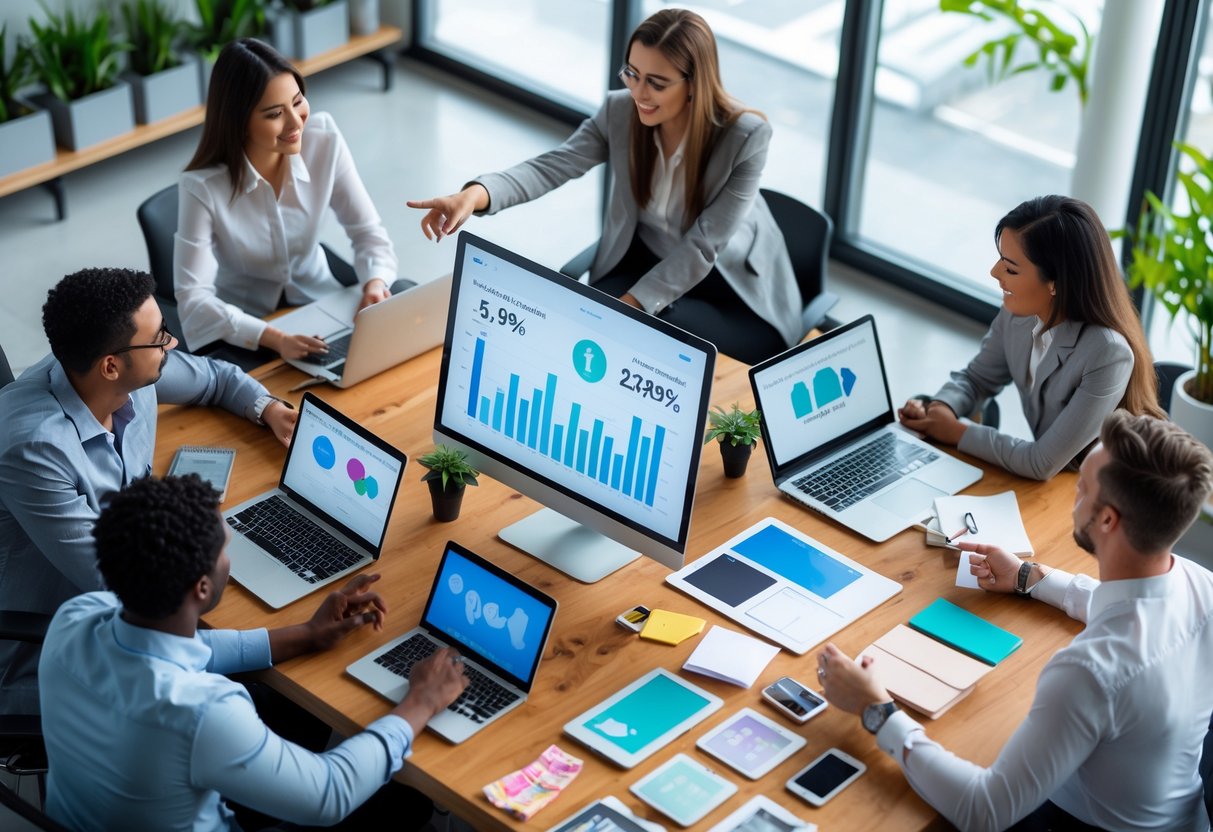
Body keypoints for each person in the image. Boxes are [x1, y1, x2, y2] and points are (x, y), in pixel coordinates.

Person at [816, 410, 1213, 832]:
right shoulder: (1201, 585)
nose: (1074, 498)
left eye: (1081, 489)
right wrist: (1027, 577)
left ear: (1108, 520)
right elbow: (1128, 609)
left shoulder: (1089, 672)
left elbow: (984, 810)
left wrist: (876, 710)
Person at [39, 474, 467, 830]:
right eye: (224, 549)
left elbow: (183, 648)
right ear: (201, 588)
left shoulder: (75, 618)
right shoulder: (201, 712)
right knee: (403, 805)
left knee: (292, 709)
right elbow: (329, 793)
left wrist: (306, 633)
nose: (230, 554)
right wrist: (421, 702)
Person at [407, 8, 802, 364]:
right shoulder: (620, 111)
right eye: (632, 73)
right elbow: (552, 166)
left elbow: (703, 246)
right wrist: (474, 195)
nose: (639, 94)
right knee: (586, 331)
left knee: (642, 340)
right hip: (646, 259)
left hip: (730, 290)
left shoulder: (746, 136)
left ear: (693, 84)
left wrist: (627, 308)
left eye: (656, 83)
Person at [0, 267, 297, 716]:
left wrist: (268, 408)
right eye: (160, 338)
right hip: (57, 653)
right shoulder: (35, 449)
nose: (171, 344)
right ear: (112, 365)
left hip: (135, 603)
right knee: (264, 703)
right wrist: (214, 546)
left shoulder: (122, 378)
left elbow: (215, 379)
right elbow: (126, 586)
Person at [898, 196, 1163, 480]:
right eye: (1001, 259)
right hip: (1053, 480)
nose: (994, 272)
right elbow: (977, 379)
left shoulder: (1107, 353)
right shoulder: (1018, 315)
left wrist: (955, 431)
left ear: (1055, 284)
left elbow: (1041, 461)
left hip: (1101, 489)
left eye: (1011, 268)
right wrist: (941, 408)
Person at [176, 38, 401, 358]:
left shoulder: (324, 141)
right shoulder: (201, 187)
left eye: (298, 102)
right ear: (240, 123)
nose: (296, 123)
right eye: (274, 114)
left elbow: (368, 233)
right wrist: (274, 337)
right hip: (245, 322)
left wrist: (376, 283)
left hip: (320, 300)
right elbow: (193, 298)